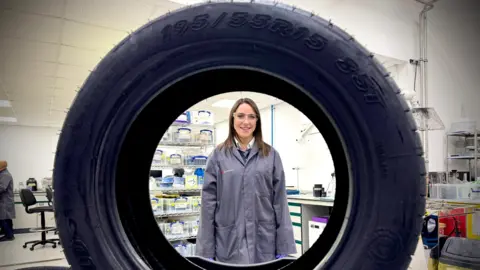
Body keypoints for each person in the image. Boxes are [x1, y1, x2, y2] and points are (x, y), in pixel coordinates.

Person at [196, 98, 296, 264]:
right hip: (228, 241)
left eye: (251, 116)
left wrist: (284, 246)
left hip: (263, 241)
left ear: (257, 120)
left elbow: (280, 202)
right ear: (232, 119)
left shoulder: (271, 155)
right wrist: (205, 250)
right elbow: (207, 205)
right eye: (241, 116)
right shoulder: (218, 156)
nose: (246, 122)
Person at [0, 160, 15, 241]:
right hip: (4, 200)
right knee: (6, 218)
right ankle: (9, 234)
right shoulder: (3, 174)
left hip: (5, 201)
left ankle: (9, 235)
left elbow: (2, 187)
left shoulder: (5, 175)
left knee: (4, 218)